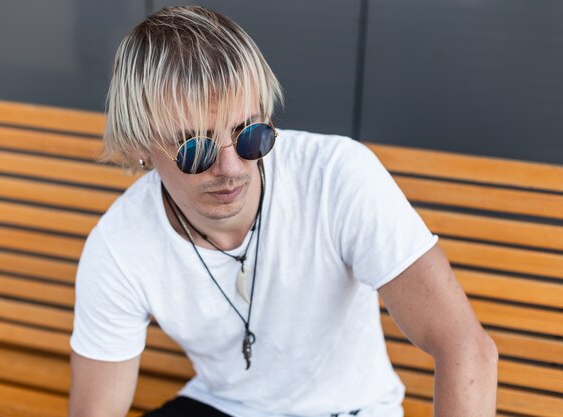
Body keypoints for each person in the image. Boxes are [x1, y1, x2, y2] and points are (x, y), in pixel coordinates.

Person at [68, 5, 498, 417]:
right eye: (195, 147)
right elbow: (96, 410)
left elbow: (464, 346)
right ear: (141, 146)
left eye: (250, 133)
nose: (232, 168)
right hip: (222, 405)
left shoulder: (335, 177)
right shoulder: (119, 244)